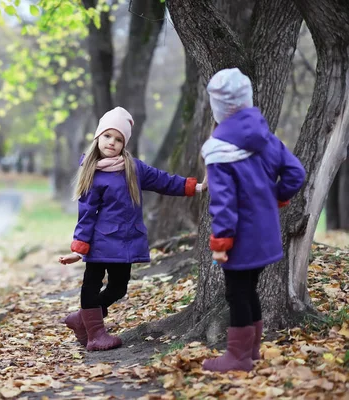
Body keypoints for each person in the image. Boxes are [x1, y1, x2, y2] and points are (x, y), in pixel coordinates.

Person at [58, 106, 206, 352]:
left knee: (119, 287)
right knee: (91, 285)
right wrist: (79, 248)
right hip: (99, 241)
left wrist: (196, 187)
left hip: (125, 241)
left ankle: (82, 319)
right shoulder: (92, 173)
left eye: (118, 139)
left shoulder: (133, 168)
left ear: (124, 143)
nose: (112, 142)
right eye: (107, 136)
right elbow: (86, 214)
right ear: (98, 137)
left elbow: (163, 181)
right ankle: (95, 335)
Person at [200, 68, 305, 372]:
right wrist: (279, 197)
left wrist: (220, 242)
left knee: (237, 293)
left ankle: (238, 357)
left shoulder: (219, 149)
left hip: (239, 237)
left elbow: (223, 202)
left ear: (217, 106)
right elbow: (296, 173)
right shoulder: (266, 137)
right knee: (250, 290)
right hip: (266, 233)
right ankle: (252, 351)